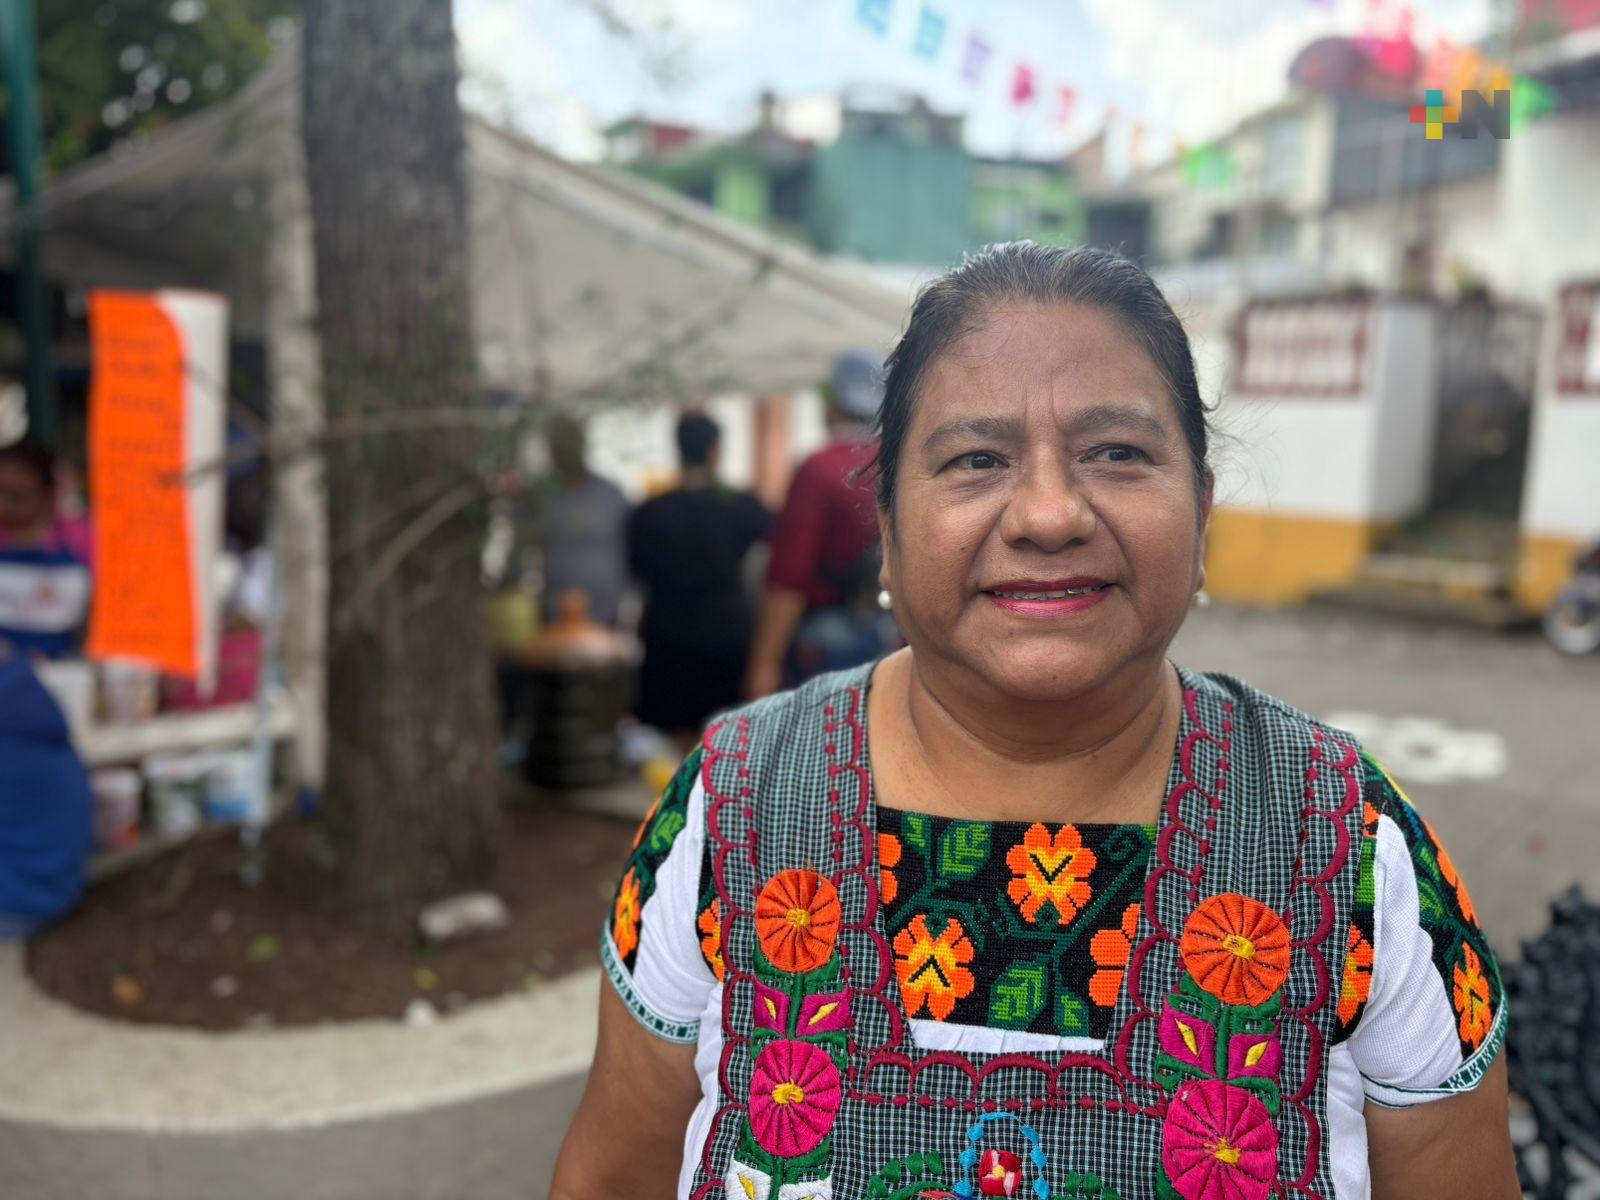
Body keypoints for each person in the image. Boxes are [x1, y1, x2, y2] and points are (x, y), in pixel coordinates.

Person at [551, 244, 1518, 1199]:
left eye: (1118, 453)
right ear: (887, 526)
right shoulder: (734, 809)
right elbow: (612, 1173)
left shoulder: (1345, 842)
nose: (1050, 514)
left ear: (1202, 515)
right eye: (976, 458)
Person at [743, 349, 899, 698]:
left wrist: (763, 663)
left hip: (828, 642)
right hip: (895, 638)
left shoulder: (819, 469)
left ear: (831, 403)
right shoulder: (897, 467)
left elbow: (789, 576)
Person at [628, 413, 771, 753]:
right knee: (726, 736)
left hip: (668, 630)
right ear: (715, 451)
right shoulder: (740, 505)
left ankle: (680, 801)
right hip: (727, 630)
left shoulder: (649, 511)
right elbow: (774, 554)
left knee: (675, 741)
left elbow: (635, 569)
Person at [0, 439, 92, 660]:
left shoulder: (80, 540)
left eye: (17, 497)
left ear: (48, 495)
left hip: (66, 673)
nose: (2, 505)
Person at [537, 414, 631, 628]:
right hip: (556, 610)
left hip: (607, 610)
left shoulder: (609, 494)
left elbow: (632, 545)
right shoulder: (541, 496)